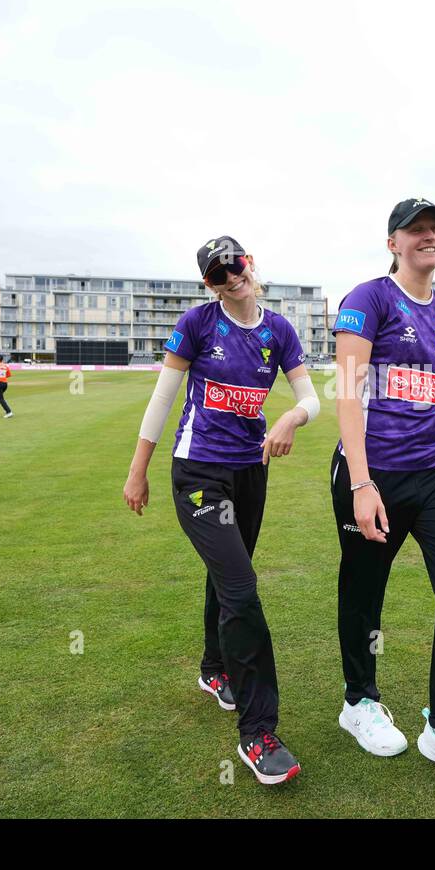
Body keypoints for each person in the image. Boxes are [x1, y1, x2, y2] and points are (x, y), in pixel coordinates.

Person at [123, 235, 318, 787]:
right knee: (241, 589)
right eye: (216, 275)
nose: (230, 278)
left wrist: (291, 419)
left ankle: (214, 671)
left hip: (250, 473)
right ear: (207, 285)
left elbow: (310, 398)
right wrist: (138, 471)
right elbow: (163, 398)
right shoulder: (198, 323)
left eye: (234, 266)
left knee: (225, 576)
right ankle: (259, 732)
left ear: (249, 264)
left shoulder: (278, 330)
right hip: (199, 475)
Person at [331, 197, 435, 794]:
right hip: (372, 471)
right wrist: (361, 482)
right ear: (393, 243)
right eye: (416, 230)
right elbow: (348, 394)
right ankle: (359, 702)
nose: (428, 237)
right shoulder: (368, 300)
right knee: (363, 593)